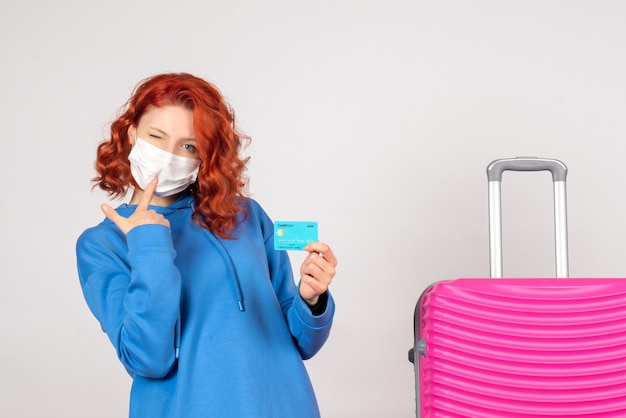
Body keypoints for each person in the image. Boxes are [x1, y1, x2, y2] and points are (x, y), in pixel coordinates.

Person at [76, 73, 337, 418]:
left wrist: (311, 299)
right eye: (157, 136)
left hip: (284, 405)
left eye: (188, 145)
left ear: (204, 155)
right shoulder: (102, 244)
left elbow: (301, 341)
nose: (169, 155)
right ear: (130, 133)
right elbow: (150, 359)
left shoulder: (245, 215)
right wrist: (149, 242)